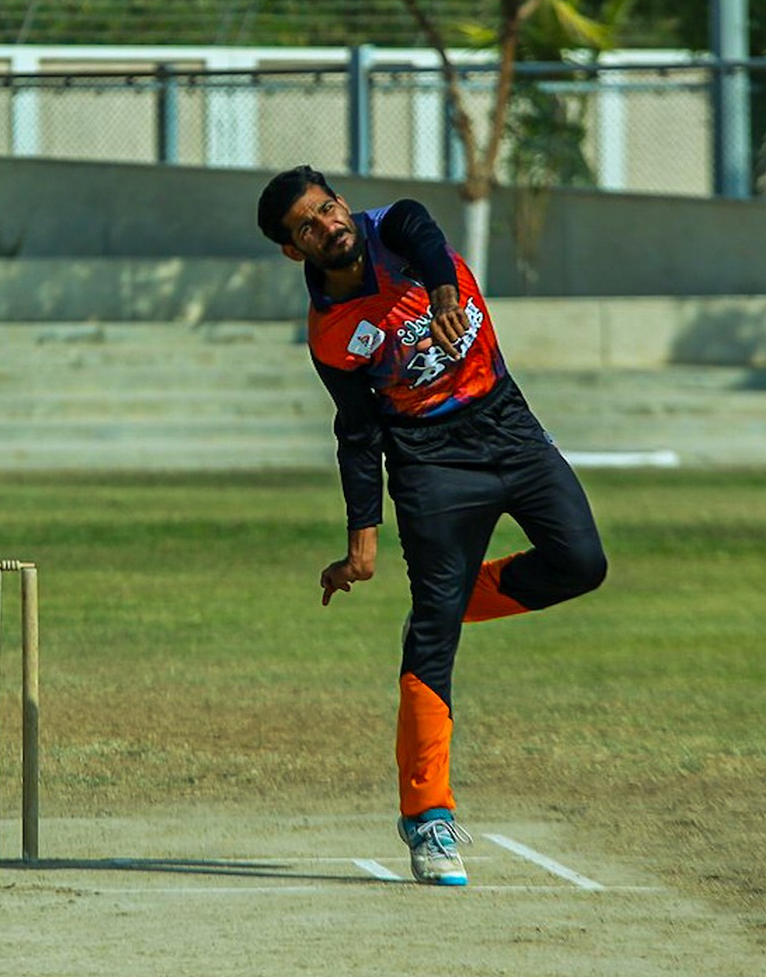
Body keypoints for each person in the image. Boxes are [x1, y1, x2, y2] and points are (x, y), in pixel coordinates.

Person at [256, 165, 607, 886]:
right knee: (433, 636)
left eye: (326, 209)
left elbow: (425, 233)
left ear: (342, 203)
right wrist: (360, 546)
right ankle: (427, 817)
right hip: (429, 461)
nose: (327, 226)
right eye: (306, 227)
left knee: (580, 563)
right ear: (294, 250)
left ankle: (448, 599)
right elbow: (358, 434)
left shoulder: (396, 229)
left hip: (506, 423)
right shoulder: (331, 334)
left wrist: (443, 292)